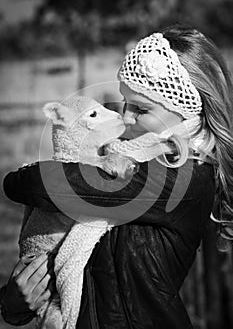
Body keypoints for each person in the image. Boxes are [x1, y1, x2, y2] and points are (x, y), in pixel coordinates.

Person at [1, 25, 233, 329]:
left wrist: (19, 179)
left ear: (186, 113)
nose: (125, 117)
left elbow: (36, 184)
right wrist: (14, 302)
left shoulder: (184, 179)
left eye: (141, 109)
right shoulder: (124, 155)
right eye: (125, 103)